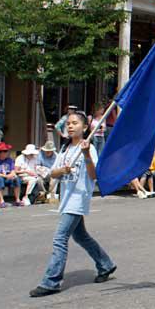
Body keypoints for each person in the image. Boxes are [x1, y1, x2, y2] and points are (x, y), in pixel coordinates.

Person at [29, 112, 116, 297]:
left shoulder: (88, 148)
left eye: (74, 123)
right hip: (66, 199)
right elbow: (53, 173)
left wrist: (85, 154)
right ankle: (105, 264)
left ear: (84, 128)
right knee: (81, 236)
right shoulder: (65, 149)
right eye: (68, 123)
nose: (70, 126)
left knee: (60, 238)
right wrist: (62, 169)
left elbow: (94, 175)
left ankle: (51, 282)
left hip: (77, 200)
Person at [0, 142, 23, 207]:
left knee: (16, 179)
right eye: (5, 151)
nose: (7, 152)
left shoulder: (9, 160)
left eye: (6, 151)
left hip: (8, 177)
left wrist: (12, 175)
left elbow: (13, 170)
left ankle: (18, 200)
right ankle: (1, 200)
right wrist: (6, 176)